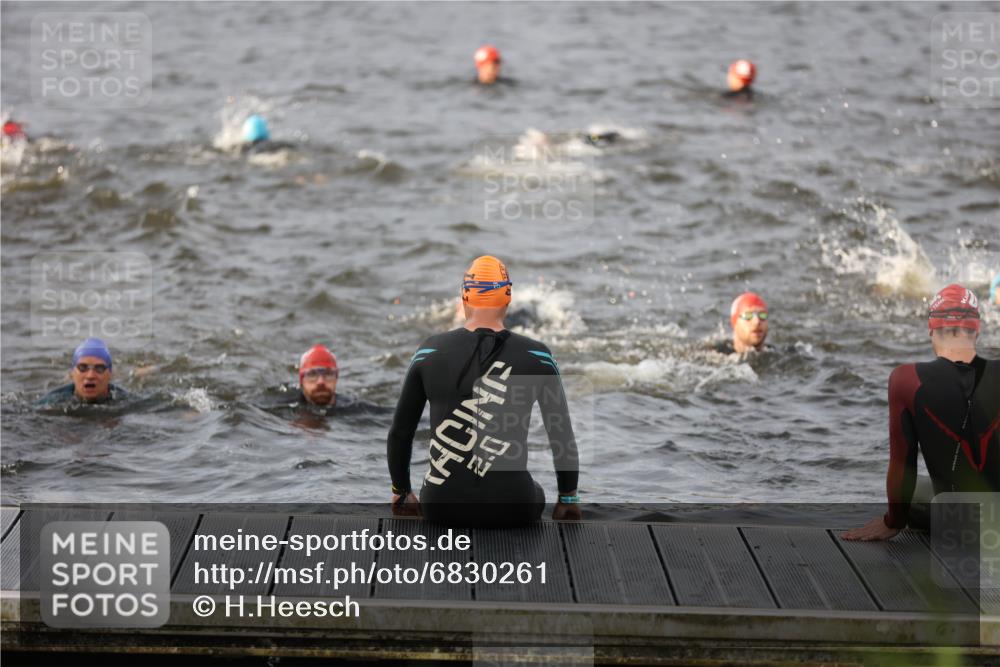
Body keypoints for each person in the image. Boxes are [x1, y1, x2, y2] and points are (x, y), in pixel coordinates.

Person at [387, 255, 581, 527]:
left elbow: (400, 433)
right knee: (534, 490)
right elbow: (561, 434)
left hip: (441, 508)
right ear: (508, 297)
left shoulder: (429, 351)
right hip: (514, 507)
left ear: (465, 297)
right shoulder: (538, 355)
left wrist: (401, 493)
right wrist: (568, 500)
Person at [843, 284, 999, 541]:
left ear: (931, 330)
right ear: (977, 329)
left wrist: (892, 522)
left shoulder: (907, 379)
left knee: (914, 493)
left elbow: (902, 466)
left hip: (959, 521)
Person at [37, 338, 130, 405]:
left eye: (99, 368)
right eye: (82, 368)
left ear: (110, 374)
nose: (90, 376)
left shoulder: (126, 400)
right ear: (72, 373)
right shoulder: (51, 402)